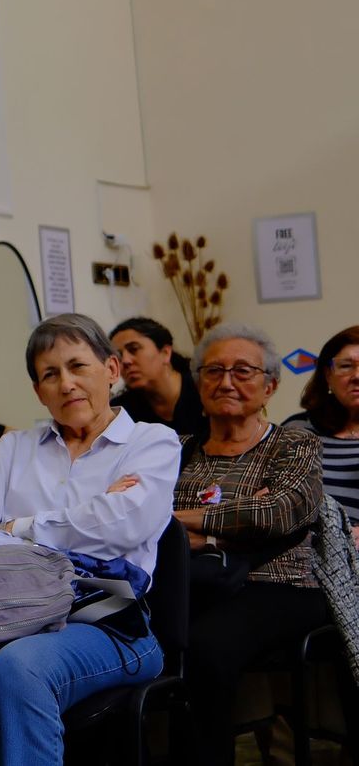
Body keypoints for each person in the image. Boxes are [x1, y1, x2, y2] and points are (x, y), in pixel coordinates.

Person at [0, 314, 180, 766]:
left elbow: (128, 525)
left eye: (77, 366)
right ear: (38, 391)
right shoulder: (14, 449)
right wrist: (86, 523)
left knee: (18, 669)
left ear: (111, 370)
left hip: (108, 623)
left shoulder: (152, 442)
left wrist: (19, 527)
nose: (66, 384)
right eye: (50, 374)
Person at [171, 324, 325, 765]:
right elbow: (139, 521)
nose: (226, 382)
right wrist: (240, 518)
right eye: (214, 371)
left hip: (281, 583)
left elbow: (278, 514)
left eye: (243, 371)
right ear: (199, 383)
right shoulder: (176, 450)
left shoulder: (294, 444)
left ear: (270, 385)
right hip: (191, 581)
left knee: (204, 647)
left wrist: (191, 523)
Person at [285, 325, 359, 532]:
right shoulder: (298, 429)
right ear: (328, 376)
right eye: (346, 366)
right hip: (304, 547)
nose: (357, 376)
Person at [110, 316, 208, 439]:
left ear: (165, 353)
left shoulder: (204, 390)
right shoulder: (121, 412)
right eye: (118, 356)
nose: (125, 361)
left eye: (134, 349)